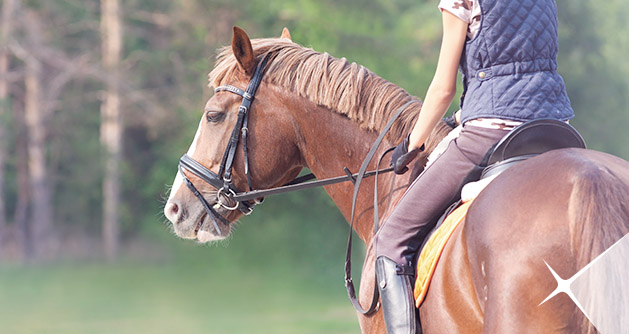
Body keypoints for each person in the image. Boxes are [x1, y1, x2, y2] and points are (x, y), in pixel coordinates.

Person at [373, 0, 574, 333]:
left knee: (391, 241)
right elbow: (522, 71)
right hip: (557, 128)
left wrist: (413, 143)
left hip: (492, 133)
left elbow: (442, 89)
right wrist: (463, 115)